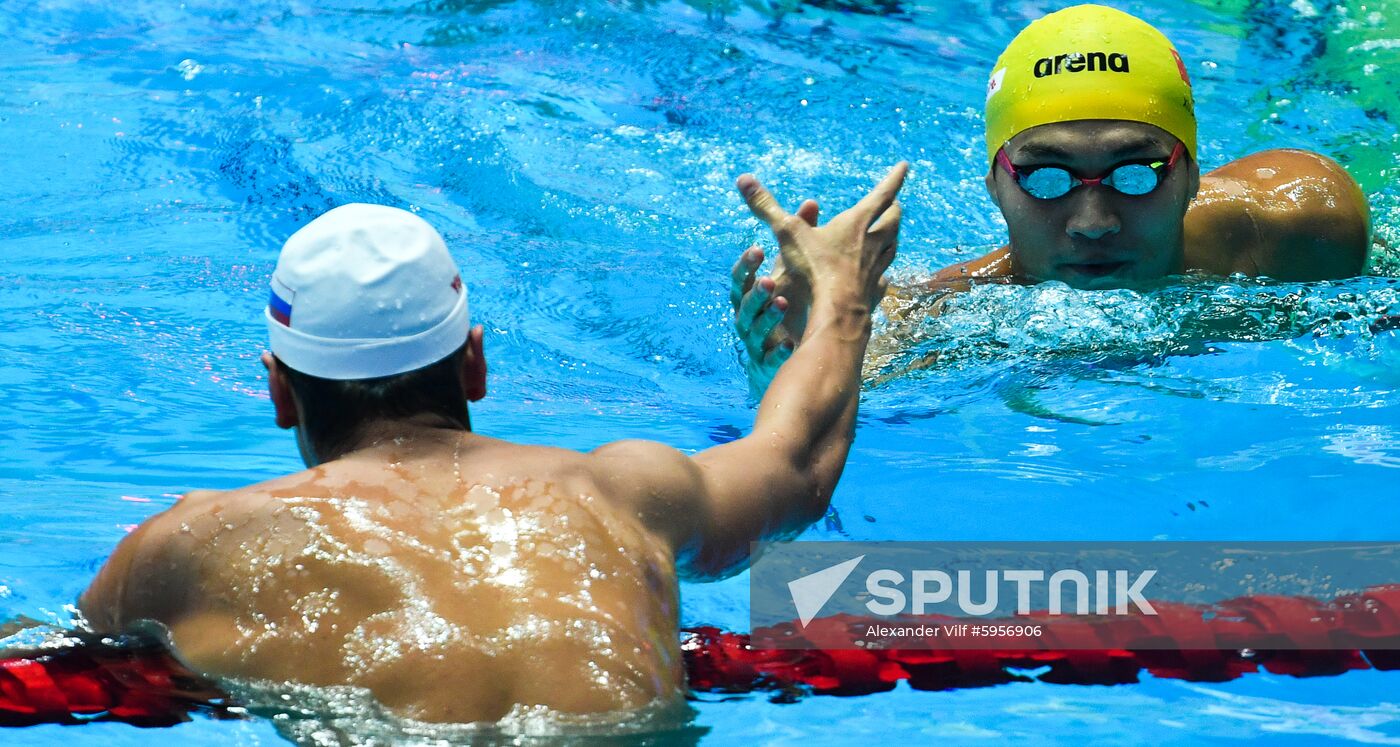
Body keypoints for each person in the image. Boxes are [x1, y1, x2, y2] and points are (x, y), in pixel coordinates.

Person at [77, 167, 905, 723]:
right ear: (474, 362)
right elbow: (796, 462)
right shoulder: (621, 490)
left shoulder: (187, 546)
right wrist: (842, 296)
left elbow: (45, 669)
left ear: (279, 390)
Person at [731, 4, 1371, 380]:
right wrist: (796, 361)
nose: (1093, 222)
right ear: (996, 190)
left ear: (1192, 177)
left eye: (1136, 172)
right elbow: (857, 379)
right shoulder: (960, 307)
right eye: (1046, 178)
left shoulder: (1307, 226)